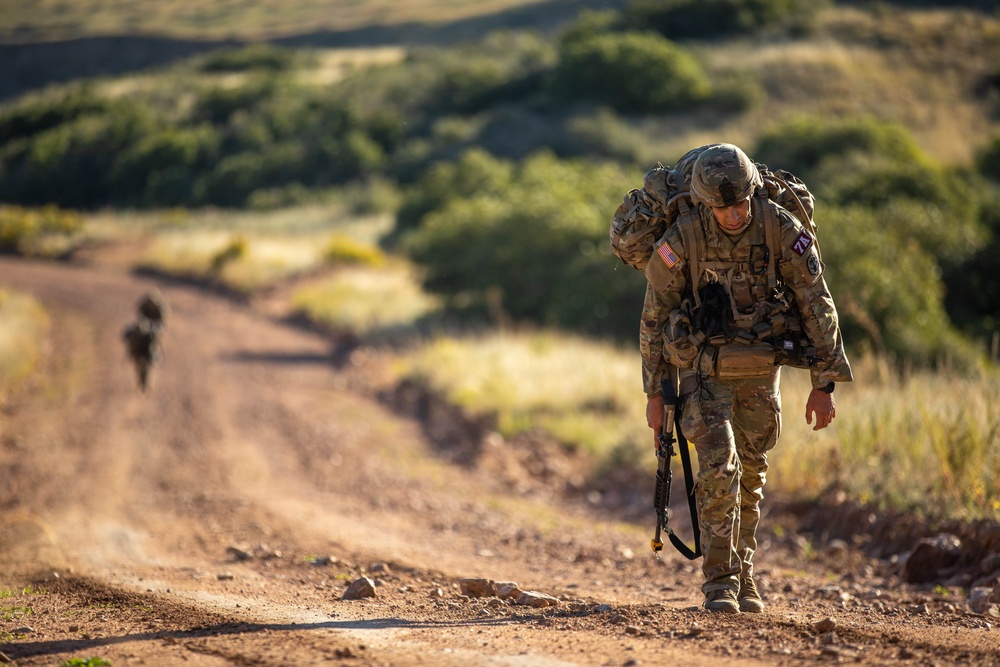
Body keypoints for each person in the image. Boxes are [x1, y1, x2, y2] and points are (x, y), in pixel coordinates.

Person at [637, 144, 853, 613]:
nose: (733, 214)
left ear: (753, 192)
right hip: (703, 373)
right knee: (721, 466)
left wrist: (825, 382)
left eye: (740, 203)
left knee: (751, 475)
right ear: (705, 202)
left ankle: (745, 575)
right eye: (722, 206)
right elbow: (654, 314)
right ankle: (719, 582)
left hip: (760, 371)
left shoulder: (778, 226)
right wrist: (655, 393)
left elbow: (817, 301)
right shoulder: (686, 235)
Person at [123, 290, 167, 392]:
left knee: (152, 346)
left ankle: (152, 356)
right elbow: (140, 318)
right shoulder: (143, 305)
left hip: (155, 328)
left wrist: (155, 329)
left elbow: (162, 323)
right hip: (143, 329)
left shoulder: (160, 307)